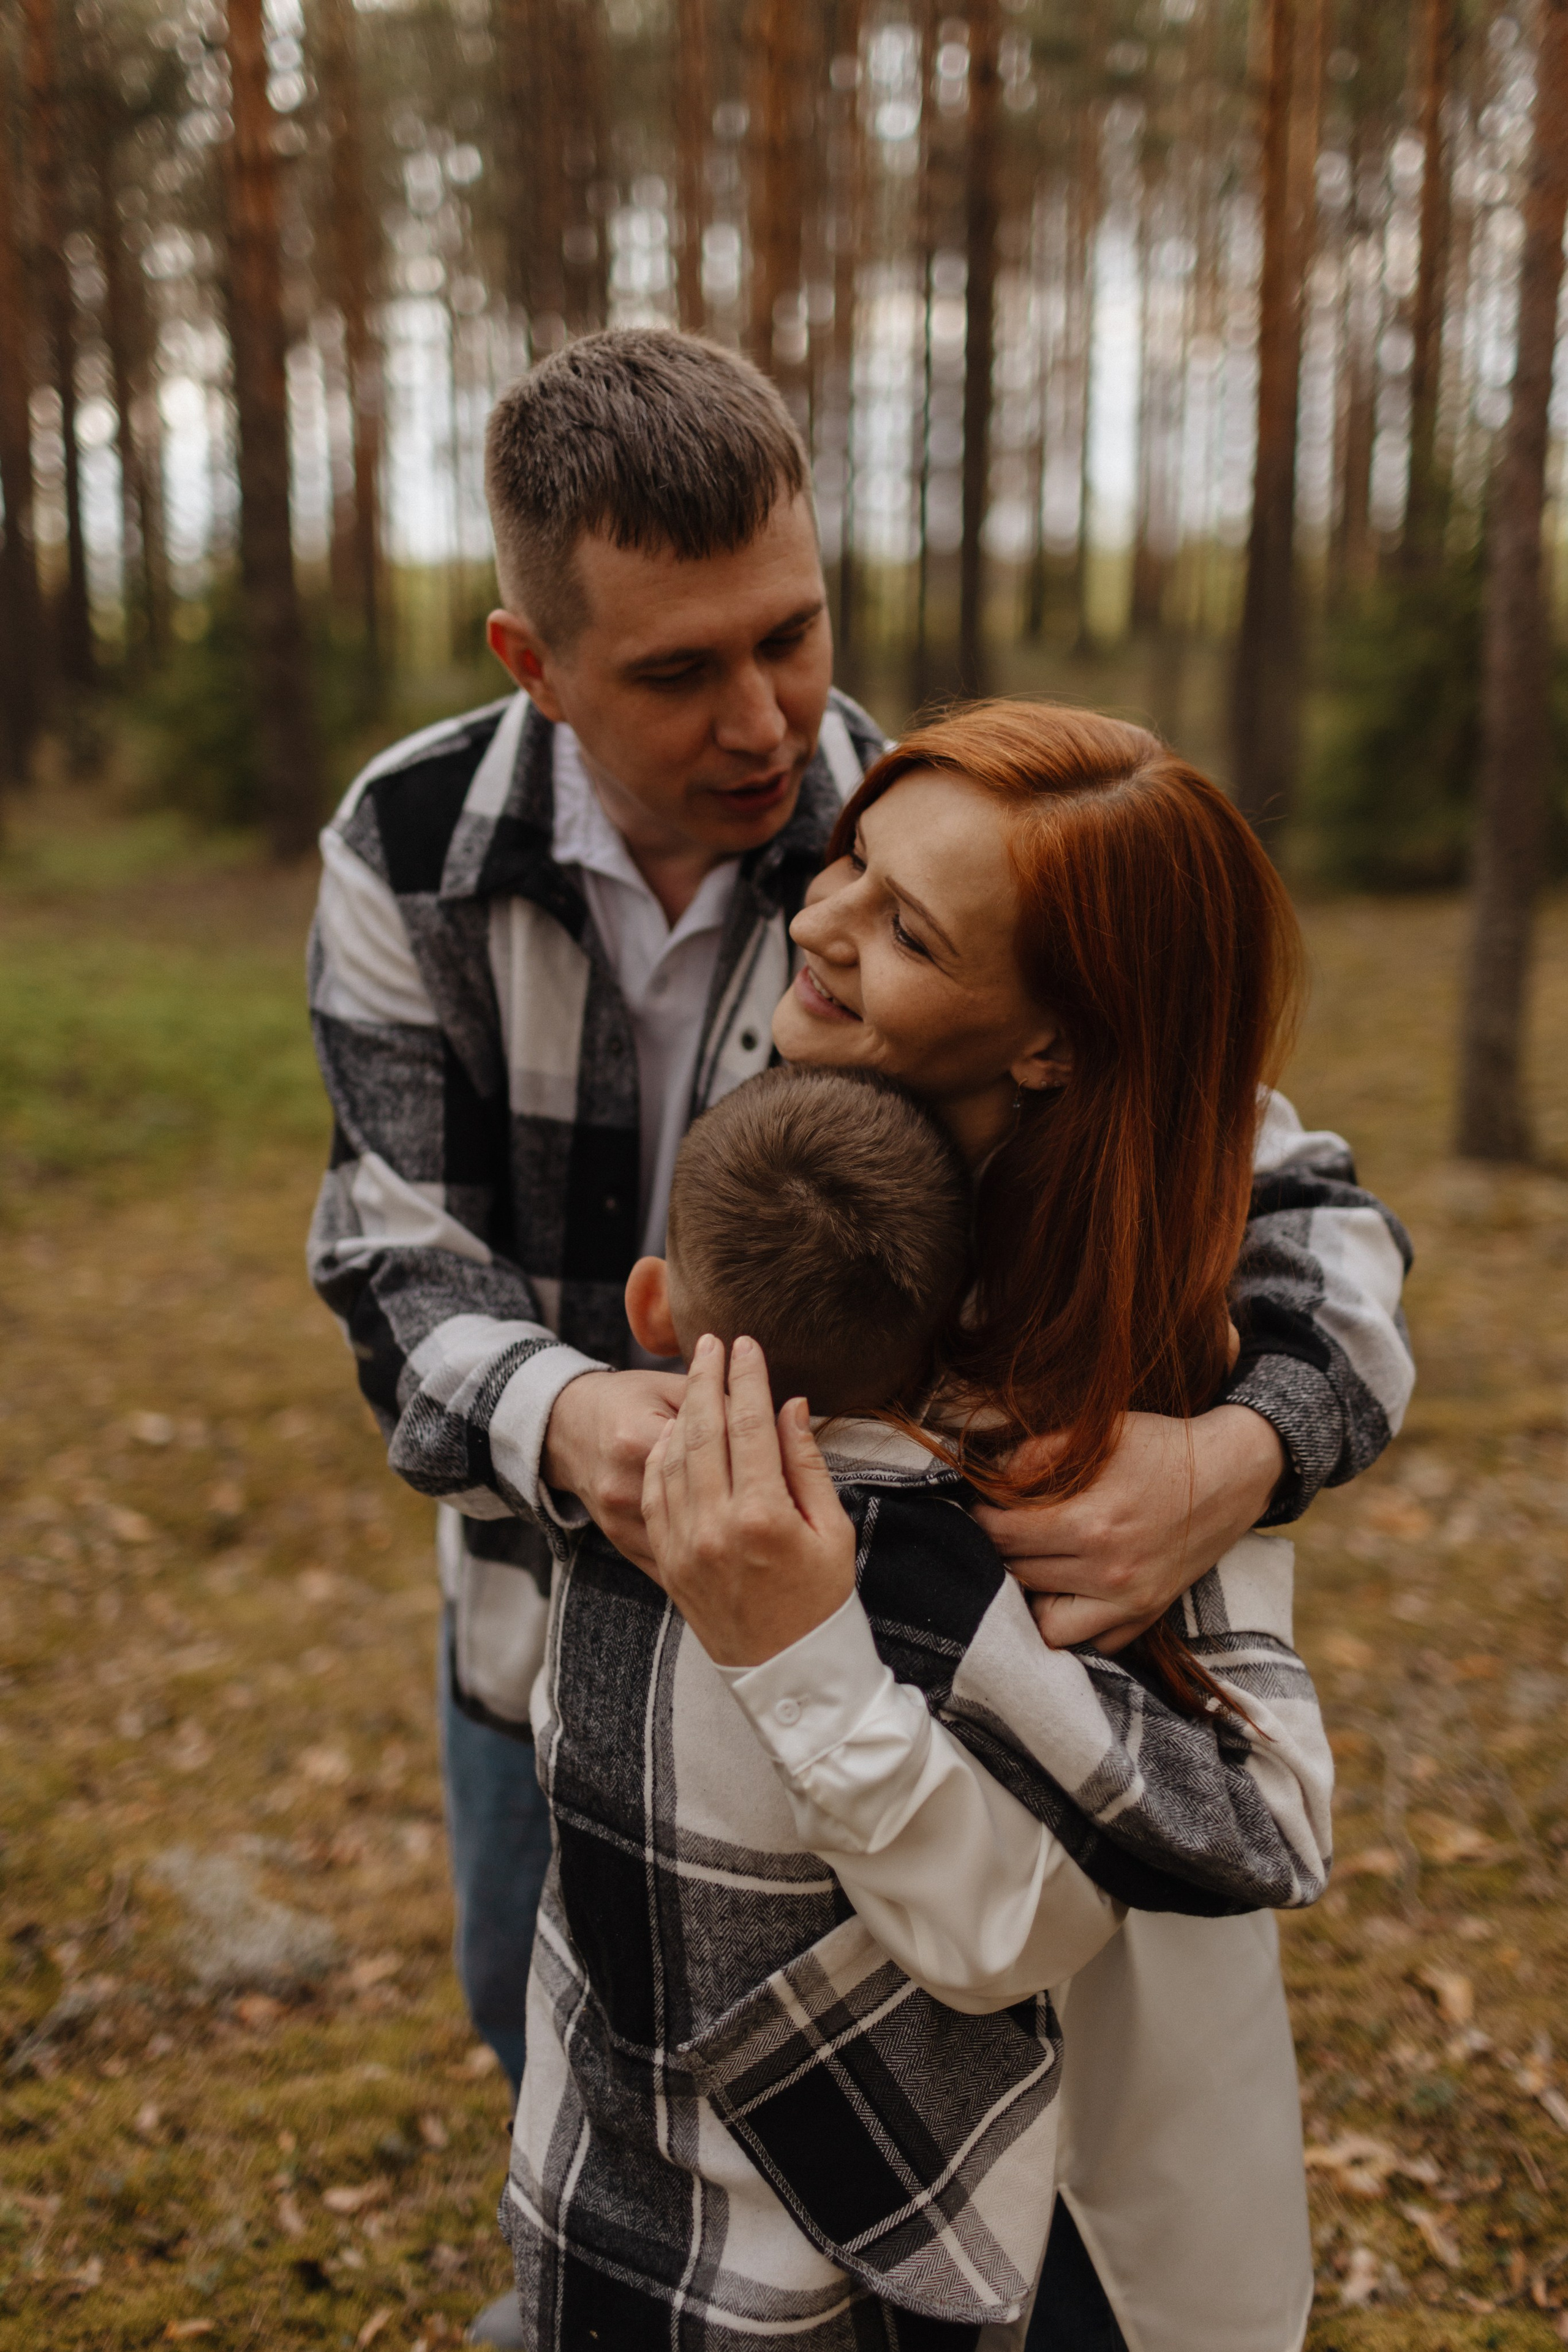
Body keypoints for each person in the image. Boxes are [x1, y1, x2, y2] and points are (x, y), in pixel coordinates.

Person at [303, 330, 1409, 2345]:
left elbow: (1276, 1192)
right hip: (560, 1603)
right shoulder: (409, 850)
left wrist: (1232, 1457)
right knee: (557, 1994)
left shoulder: (948, 840)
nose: (766, 720)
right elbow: (394, 1267)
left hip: (910, 1624)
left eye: (793, 635)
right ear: (532, 658)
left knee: (935, 2036)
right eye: (677, 672)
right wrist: (593, 1434)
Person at [496, 763, 1335, 2350]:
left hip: (1064, 2171)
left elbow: (1236, 1823)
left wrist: (1254, 1442)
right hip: (716, 2204)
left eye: (909, 930)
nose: (810, 920)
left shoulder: (1142, 1377)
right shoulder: (797, 1167)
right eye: (849, 861)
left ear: (1049, 1039)